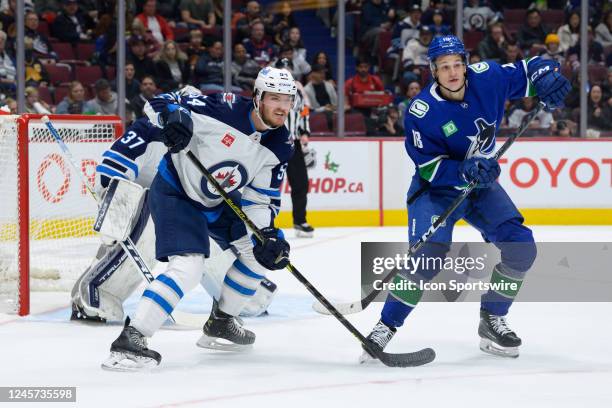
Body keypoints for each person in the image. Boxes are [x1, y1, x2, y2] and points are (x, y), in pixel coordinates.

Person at [360, 35, 570, 363]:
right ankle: (385, 326)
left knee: (521, 247)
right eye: (445, 67)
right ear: (433, 71)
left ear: (466, 63)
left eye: (458, 64)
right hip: (437, 191)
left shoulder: (487, 77)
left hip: (480, 186)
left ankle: (492, 318)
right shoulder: (422, 111)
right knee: (428, 257)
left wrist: (548, 76)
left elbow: (531, 69)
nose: (453, 72)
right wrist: (464, 170)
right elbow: (428, 167)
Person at [102, 67, 296, 371]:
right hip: (176, 191)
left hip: (217, 201)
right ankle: (132, 337)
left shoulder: (281, 144)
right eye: (275, 98)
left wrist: (266, 234)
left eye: (288, 99)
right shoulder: (224, 107)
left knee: (259, 255)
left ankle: (222, 321)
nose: (282, 107)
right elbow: (157, 104)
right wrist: (173, 118)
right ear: (258, 97)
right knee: (189, 267)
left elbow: (260, 199)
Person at [71, 87, 278, 324]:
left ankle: (237, 301)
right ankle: (98, 291)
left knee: (248, 296)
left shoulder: (215, 135)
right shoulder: (148, 130)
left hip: (192, 208)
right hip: (152, 207)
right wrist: (114, 208)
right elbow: (110, 173)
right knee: (148, 215)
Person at [276, 58, 314, 238]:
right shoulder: (270, 91)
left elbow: (304, 111)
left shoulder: (298, 91)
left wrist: (305, 131)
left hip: (294, 143)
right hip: (273, 141)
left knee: (301, 183)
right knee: (268, 184)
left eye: (288, 70)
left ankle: (300, 220)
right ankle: (263, 222)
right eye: (282, 71)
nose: (286, 74)